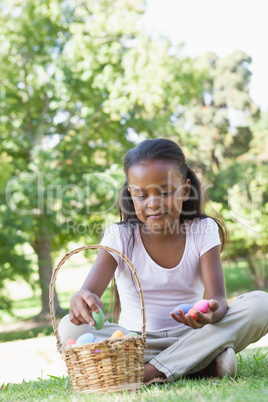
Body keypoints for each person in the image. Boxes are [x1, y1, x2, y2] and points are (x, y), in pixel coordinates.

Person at [59, 138, 268, 385]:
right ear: (131, 196)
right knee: (69, 328)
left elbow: (218, 300)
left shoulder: (202, 229)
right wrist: (82, 300)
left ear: (185, 190)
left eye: (166, 192)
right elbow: (88, 293)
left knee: (261, 304)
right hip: (134, 342)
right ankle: (201, 364)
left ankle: (148, 372)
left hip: (192, 335)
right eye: (141, 194)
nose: (153, 203)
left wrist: (211, 315)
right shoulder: (120, 236)